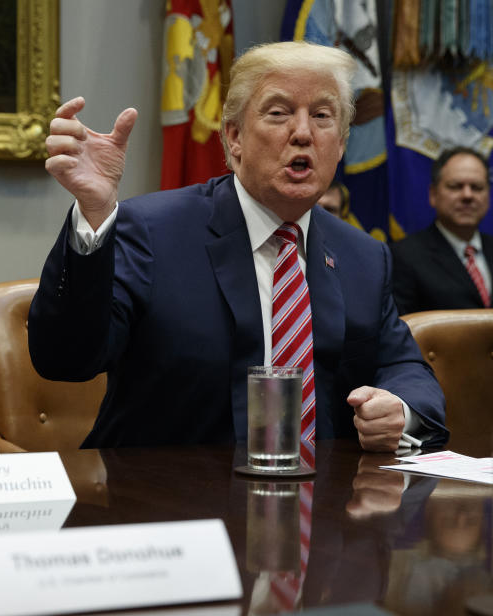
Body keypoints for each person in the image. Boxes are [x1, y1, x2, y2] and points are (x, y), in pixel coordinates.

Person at [29, 41, 446, 454]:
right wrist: (95, 213)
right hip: (166, 501)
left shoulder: (364, 256)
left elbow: (404, 368)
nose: (302, 133)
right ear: (234, 137)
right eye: (279, 113)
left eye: (321, 116)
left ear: (340, 143)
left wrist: (400, 410)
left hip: (322, 506)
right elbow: (67, 359)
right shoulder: (151, 232)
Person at [390, 147, 493, 315]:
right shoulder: (404, 256)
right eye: (455, 187)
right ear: (433, 194)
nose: (468, 195)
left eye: (477, 187)